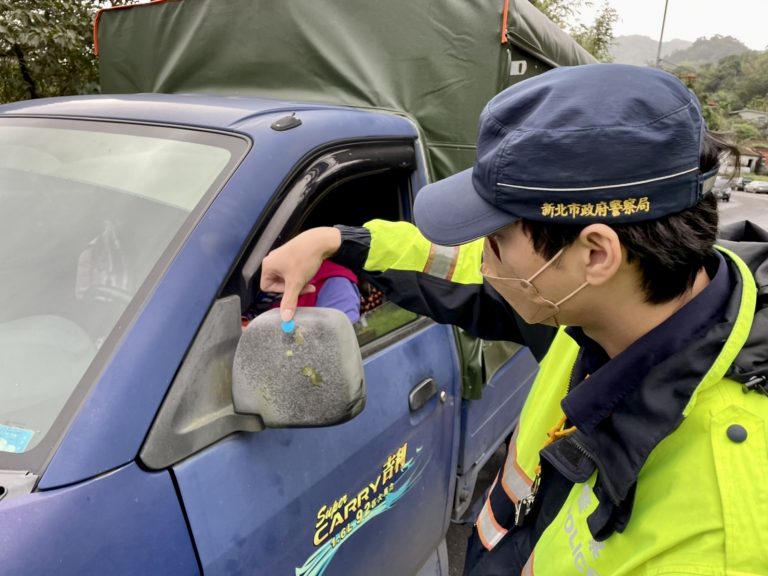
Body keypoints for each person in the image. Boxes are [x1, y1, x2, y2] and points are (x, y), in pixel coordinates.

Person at [261, 64, 768, 575]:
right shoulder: (611, 308)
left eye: (496, 241)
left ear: (596, 254)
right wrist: (339, 242)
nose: (479, 258)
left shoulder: (716, 540)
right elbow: (453, 268)